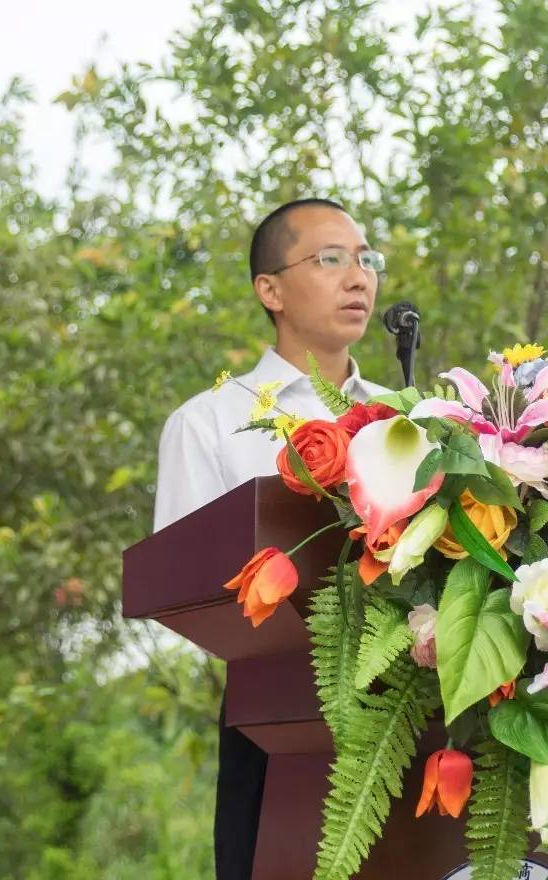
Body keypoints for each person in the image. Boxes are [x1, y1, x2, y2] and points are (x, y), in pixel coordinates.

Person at [152, 198, 391, 879]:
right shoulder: (210, 423)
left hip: (413, 720)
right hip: (276, 722)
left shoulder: (406, 417)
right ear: (270, 289)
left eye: (366, 259)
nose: (358, 278)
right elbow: (184, 590)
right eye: (330, 259)